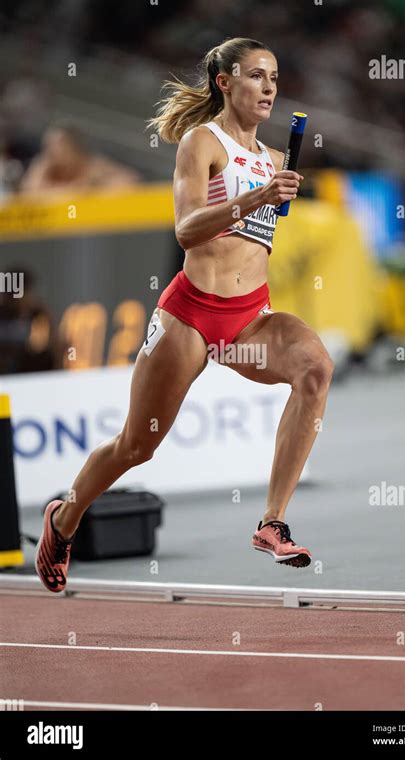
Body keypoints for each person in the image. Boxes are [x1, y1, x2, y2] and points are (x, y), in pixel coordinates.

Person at [35, 37, 334, 594]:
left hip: (250, 321)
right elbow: (187, 229)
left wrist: (274, 193)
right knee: (137, 445)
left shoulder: (274, 158)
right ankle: (64, 520)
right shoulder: (202, 142)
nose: (269, 87)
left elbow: (256, 236)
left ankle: (271, 522)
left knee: (316, 370)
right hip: (191, 318)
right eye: (255, 76)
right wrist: (256, 198)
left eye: (274, 77)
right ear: (225, 82)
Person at [19, 122, 139, 195]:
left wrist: (94, 188)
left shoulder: (94, 166)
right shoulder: (44, 167)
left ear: (75, 147)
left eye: (60, 146)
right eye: (49, 146)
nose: (54, 151)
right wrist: (77, 189)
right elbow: (28, 195)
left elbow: (131, 182)